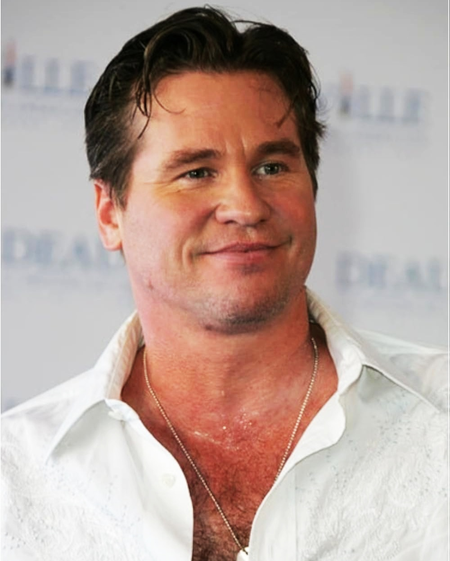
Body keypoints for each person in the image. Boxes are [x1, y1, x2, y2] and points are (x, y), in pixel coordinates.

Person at [2, 7, 447, 561]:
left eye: (272, 167)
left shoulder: (439, 419)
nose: (245, 205)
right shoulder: (15, 476)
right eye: (195, 172)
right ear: (110, 212)